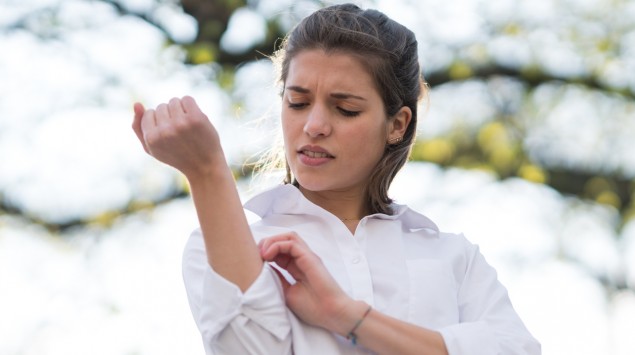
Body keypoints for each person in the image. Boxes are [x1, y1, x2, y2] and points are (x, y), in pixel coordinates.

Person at [132, 3, 540, 354]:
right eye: (298, 102)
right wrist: (207, 173)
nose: (314, 125)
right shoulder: (226, 244)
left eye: (345, 109)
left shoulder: (453, 259)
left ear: (397, 124)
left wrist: (348, 316)